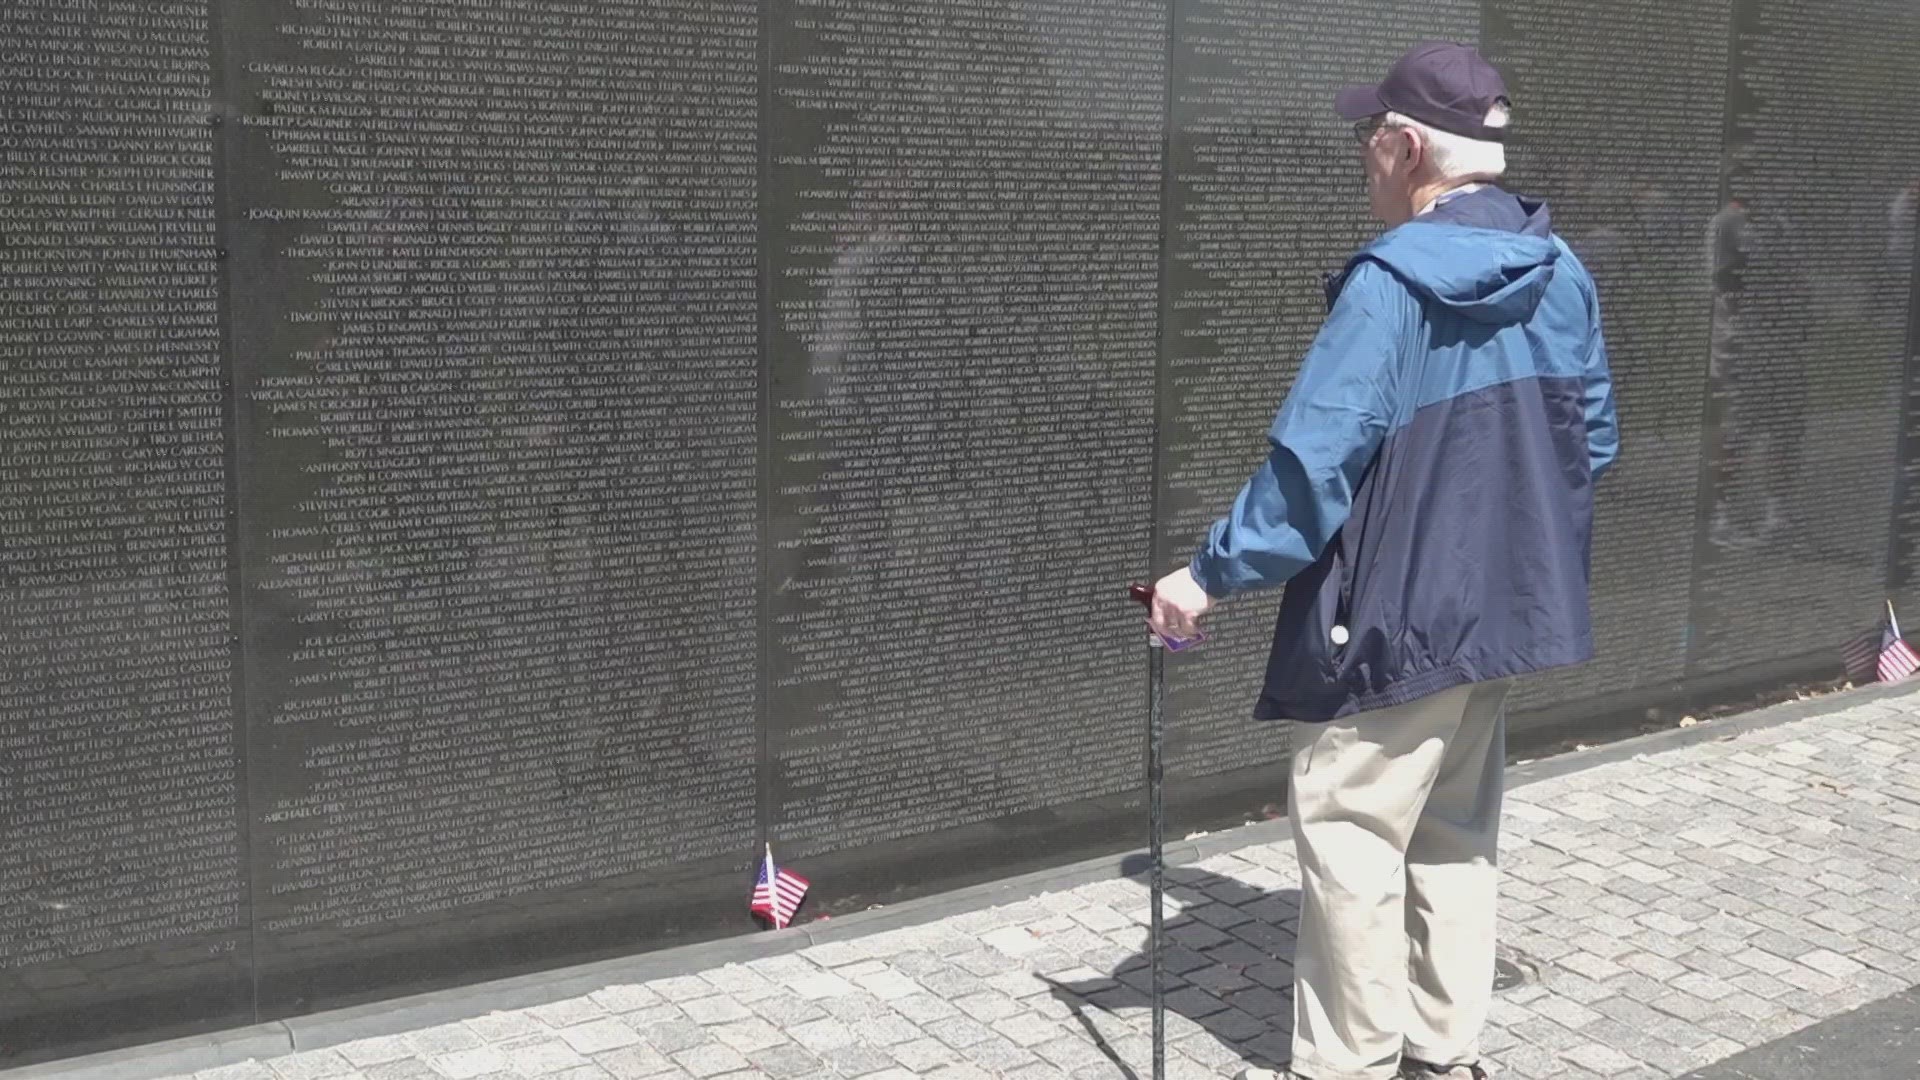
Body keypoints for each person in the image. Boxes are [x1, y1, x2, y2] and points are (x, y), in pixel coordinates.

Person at [1146, 42, 1619, 1080]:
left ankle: (1350, 1065)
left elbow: (1313, 467)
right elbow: (1594, 443)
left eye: (1371, 138)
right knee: (1456, 834)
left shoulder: (1389, 284)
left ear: (1408, 148)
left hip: (1390, 620)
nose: (1364, 157)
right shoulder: (1564, 268)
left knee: (1354, 839)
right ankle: (1445, 1056)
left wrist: (1206, 574)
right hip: (1501, 614)